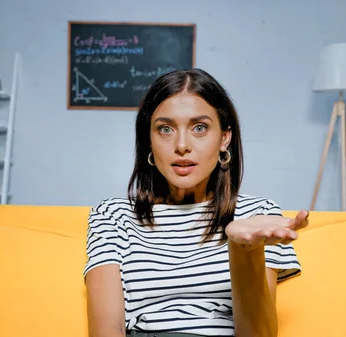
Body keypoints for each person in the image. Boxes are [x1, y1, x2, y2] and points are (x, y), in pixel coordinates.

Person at [83, 68, 309, 337]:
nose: (181, 145)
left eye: (199, 128)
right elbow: (106, 330)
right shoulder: (113, 215)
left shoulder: (258, 216)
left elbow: (259, 333)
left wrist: (243, 249)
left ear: (225, 138)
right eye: (165, 129)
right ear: (149, 141)